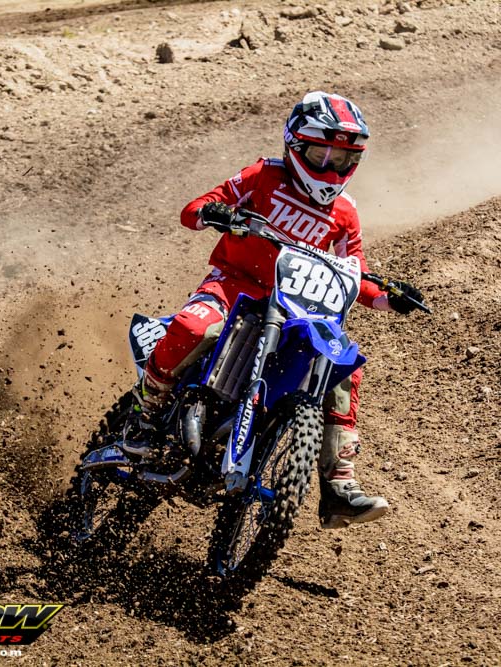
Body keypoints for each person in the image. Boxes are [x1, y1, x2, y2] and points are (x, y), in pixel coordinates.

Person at [130, 91, 424, 529]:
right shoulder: (262, 175)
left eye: (343, 158)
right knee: (196, 327)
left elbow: (355, 273)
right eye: (321, 154)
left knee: (343, 366)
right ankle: (145, 414)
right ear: (295, 145)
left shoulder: (345, 213)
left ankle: (339, 485)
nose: (331, 167)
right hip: (235, 287)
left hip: (296, 308)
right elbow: (192, 210)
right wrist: (218, 214)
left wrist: (388, 297)